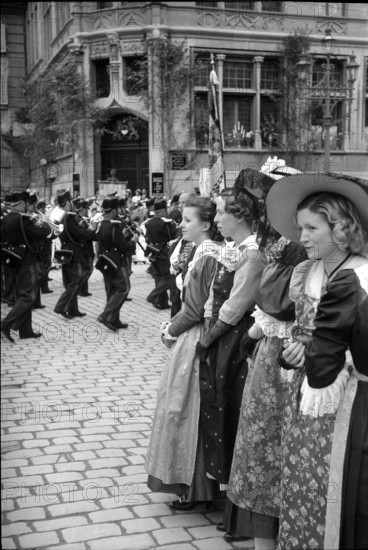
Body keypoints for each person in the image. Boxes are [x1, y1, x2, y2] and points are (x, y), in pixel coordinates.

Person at [265, 172, 368, 550]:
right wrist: (295, 350)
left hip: (342, 399)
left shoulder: (360, 273)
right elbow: (303, 328)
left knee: (335, 484)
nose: (301, 237)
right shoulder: (309, 270)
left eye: (311, 228)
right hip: (306, 394)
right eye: (299, 228)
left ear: (340, 228)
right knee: (304, 478)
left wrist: (316, 355)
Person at [225, 166, 306, 550]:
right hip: (275, 352)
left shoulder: (295, 245)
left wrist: (257, 330)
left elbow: (277, 303)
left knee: (273, 445)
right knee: (265, 446)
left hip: (288, 358)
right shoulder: (283, 242)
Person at [145, 196, 222, 508]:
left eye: (188, 220)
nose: (181, 224)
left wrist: (170, 330)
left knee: (185, 410)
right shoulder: (203, 252)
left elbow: (193, 310)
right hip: (194, 333)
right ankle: (194, 487)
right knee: (185, 409)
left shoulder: (208, 256)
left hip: (196, 337)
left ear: (205, 225)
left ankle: (194, 487)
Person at [1, 190, 53, 342]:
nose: (31, 206)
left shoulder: (7, 218)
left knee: (21, 295)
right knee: (28, 296)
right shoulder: (21, 219)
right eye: (28, 203)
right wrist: (45, 222)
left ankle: (26, 330)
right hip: (26, 261)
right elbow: (41, 232)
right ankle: (6, 323)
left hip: (14, 260)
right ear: (22, 203)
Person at [53, 191, 97, 319]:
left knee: (69, 281)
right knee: (77, 280)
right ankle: (61, 306)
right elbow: (79, 234)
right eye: (71, 201)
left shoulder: (60, 216)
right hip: (74, 253)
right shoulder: (68, 217)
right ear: (67, 202)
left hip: (65, 250)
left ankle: (73, 310)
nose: (73, 203)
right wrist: (90, 229)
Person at [96, 197, 138, 331]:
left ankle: (114, 320)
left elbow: (112, 242)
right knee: (123, 288)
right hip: (116, 261)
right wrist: (133, 241)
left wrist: (124, 236)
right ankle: (105, 315)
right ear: (113, 210)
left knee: (112, 291)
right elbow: (124, 247)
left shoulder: (102, 224)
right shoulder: (114, 226)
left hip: (105, 261)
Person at [145, 199, 177, 310]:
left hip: (153, 251)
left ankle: (162, 302)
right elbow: (173, 236)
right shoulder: (165, 222)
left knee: (159, 277)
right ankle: (153, 296)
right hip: (163, 252)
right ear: (163, 210)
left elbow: (147, 238)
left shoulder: (149, 222)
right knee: (168, 278)